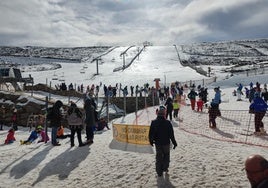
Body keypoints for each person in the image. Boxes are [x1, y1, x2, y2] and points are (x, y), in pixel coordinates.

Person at [148, 107, 177, 177]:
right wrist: (174, 143)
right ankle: (165, 167)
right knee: (166, 155)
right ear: (164, 114)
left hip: (157, 143)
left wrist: (151, 141)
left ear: (157, 114)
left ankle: (159, 172)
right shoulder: (168, 123)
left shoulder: (154, 122)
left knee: (159, 156)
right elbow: (171, 134)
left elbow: (150, 133)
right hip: (166, 142)